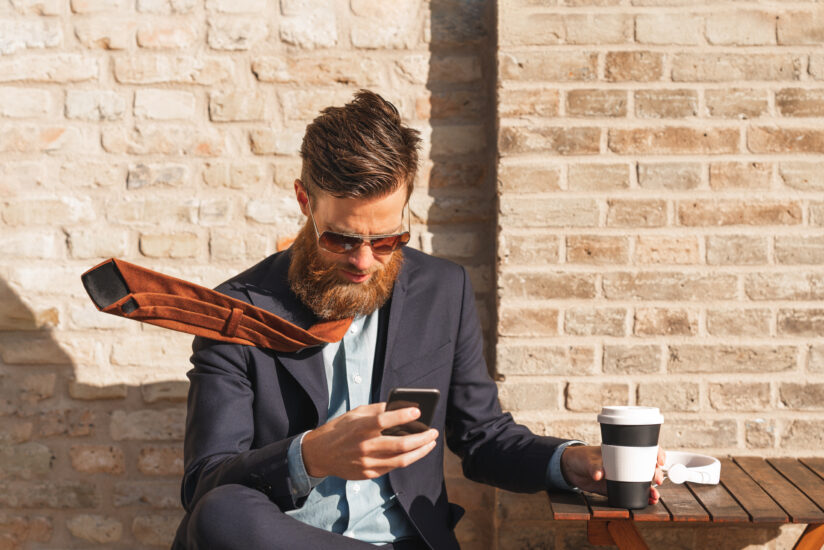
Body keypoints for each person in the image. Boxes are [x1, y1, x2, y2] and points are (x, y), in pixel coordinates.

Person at [171, 90, 664, 550]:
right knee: (220, 511)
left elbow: (483, 438)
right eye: (341, 239)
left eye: (386, 240)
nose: (364, 262)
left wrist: (568, 460)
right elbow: (205, 482)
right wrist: (310, 456)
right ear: (305, 202)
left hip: (407, 538)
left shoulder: (442, 290)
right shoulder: (235, 310)